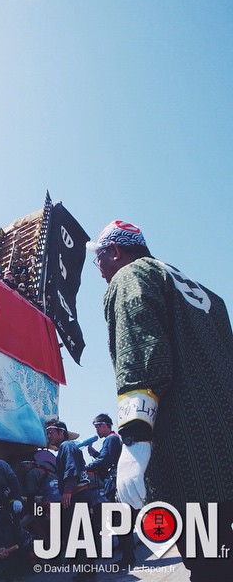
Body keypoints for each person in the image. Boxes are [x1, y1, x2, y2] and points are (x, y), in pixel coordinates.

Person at [88, 219, 233, 581]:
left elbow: (142, 354)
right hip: (226, 453)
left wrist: (135, 438)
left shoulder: (130, 276)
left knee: (210, 564)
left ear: (116, 252)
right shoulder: (208, 296)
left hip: (192, 464)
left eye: (100, 260)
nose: (100, 270)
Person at [45, 419, 97, 582]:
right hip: (78, 495)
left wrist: (67, 491)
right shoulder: (66, 448)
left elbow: (71, 469)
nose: (49, 436)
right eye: (47, 433)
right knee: (82, 533)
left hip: (76, 495)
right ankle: (88, 571)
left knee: (78, 534)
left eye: (51, 432)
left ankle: (84, 573)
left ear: (62, 432)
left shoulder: (67, 446)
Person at [85, 413, 135, 569]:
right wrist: (95, 454)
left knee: (119, 520)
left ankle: (128, 558)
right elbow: (108, 458)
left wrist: (85, 467)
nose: (96, 432)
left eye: (96, 427)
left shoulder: (111, 439)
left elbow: (105, 462)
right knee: (120, 519)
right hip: (117, 481)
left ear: (103, 425)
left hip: (114, 483)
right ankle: (128, 554)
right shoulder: (114, 439)